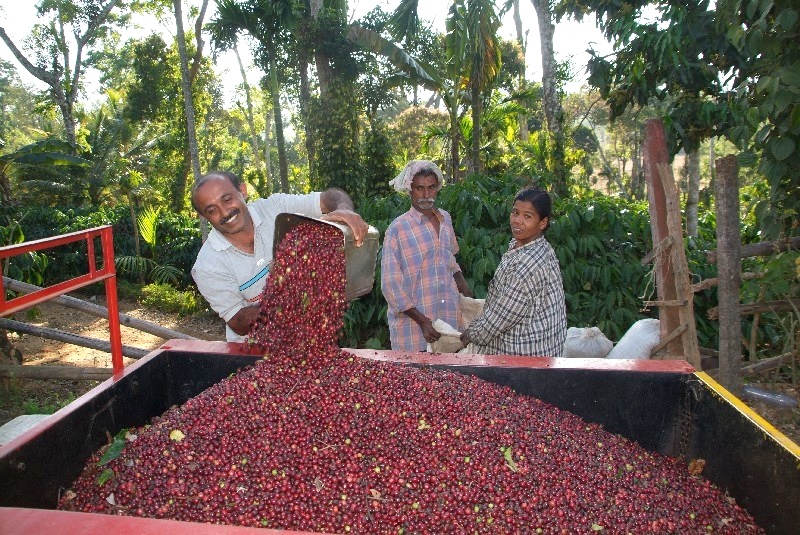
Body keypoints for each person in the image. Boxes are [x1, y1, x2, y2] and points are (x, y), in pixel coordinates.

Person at [191, 171, 369, 343]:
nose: (224, 213)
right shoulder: (208, 266)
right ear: (204, 216)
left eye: (227, 199)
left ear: (242, 191)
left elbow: (330, 197)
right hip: (254, 350)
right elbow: (238, 322)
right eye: (212, 210)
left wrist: (344, 210)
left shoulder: (274, 208)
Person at [460, 187, 567, 357]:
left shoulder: (528, 264)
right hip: (538, 351)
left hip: (525, 356)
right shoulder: (527, 245)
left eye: (527, 216)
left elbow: (499, 319)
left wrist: (469, 335)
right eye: (515, 212)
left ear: (543, 223)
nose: (517, 221)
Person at [381, 160, 472, 351]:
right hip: (414, 330)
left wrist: (462, 284)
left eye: (431, 188)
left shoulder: (445, 219)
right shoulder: (398, 229)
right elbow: (391, 286)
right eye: (419, 188)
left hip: (447, 323)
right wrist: (422, 321)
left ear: (437, 188)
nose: (426, 194)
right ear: (410, 190)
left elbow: (449, 259)